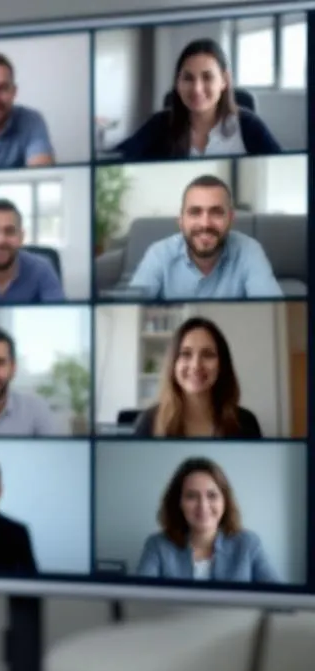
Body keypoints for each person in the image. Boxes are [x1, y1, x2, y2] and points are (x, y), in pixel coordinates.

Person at [114, 38, 281, 160]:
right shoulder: (159, 124)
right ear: (177, 82)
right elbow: (116, 158)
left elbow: (282, 167)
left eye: (207, 77)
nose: (196, 89)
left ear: (224, 81)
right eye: (188, 78)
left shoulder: (248, 125)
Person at [125, 175, 283, 300]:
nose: (205, 224)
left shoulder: (249, 250)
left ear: (231, 219)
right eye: (195, 212)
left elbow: (271, 301)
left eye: (216, 212)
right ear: (181, 220)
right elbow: (131, 305)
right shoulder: (158, 253)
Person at [135, 457, 278, 583]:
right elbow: (139, 599)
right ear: (178, 503)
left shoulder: (248, 544)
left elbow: (278, 599)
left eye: (212, 495)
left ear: (225, 501)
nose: (203, 506)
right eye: (191, 496)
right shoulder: (157, 546)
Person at [132, 316, 262, 438]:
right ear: (173, 364)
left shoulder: (246, 423)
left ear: (222, 365)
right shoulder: (148, 423)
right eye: (186, 354)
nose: (196, 365)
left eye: (208, 354)